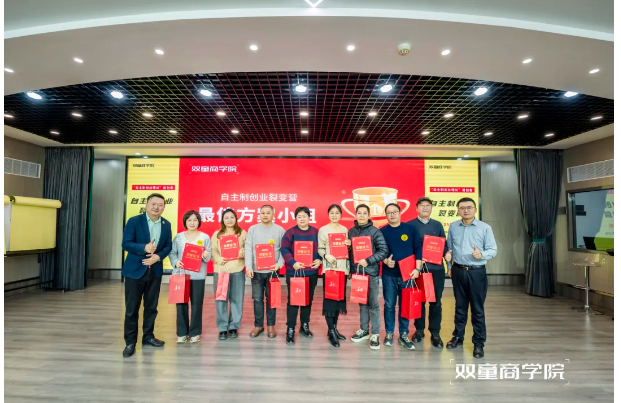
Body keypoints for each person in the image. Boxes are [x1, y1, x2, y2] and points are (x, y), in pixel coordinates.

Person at [121, 193, 173, 358]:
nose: (156, 207)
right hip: (135, 272)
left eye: (160, 205)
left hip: (155, 271)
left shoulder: (166, 224)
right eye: (153, 204)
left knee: (151, 307)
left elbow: (168, 245)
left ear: (164, 207)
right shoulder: (134, 221)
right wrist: (144, 248)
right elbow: (126, 243)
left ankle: (148, 337)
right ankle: (130, 342)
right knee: (132, 309)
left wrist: (158, 256)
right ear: (147, 205)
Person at [445, 197, 497, 359]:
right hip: (458, 271)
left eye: (469, 207)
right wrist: (449, 266)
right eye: (462, 208)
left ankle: (479, 343)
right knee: (460, 307)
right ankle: (458, 337)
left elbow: (493, 249)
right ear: (458, 210)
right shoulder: (453, 226)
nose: (466, 210)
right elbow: (449, 248)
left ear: (475, 209)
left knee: (477, 309)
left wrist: (482, 254)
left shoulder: (485, 228)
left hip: (476, 272)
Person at [406, 197, 449, 348]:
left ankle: (435, 333)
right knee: (419, 301)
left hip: (436, 269)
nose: (425, 208)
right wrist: (417, 258)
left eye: (428, 205)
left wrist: (447, 254)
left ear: (431, 208)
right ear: (416, 208)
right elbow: (407, 247)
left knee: (436, 302)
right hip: (418, 270)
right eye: (422, 205)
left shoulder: (437, 225)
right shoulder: (410, 225)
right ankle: (419, 331)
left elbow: (444, 245)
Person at [380, 203, 423, 351]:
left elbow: (418, 249)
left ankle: (404, 334)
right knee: (389, 305)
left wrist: (417, 269)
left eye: (395, 212)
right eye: (389, 212)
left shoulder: (410, 229)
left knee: (405, 305)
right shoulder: (382, 231)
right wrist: (385, 260)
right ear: (386, 215)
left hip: (407, 275)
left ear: (400, 213)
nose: (392, 215)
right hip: (389, 275)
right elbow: (378, 250)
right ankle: (389, 333)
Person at [348, 204, 388, 350]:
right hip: (358, 273)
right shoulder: (351, 231)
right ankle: (364, 330)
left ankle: (375, 333)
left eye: (365, 213)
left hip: (371, 273)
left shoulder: (375, 231)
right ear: (355, 215)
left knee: (373, 304)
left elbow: (383, 251)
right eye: (359, 213)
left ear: (369, 215)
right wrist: (350, 269)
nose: (362, 216)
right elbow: (350, 253)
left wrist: (368, 260)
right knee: (362, 303)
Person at [280, 206, 322, 346]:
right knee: (293, 301)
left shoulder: (316, 232)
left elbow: (323, 249)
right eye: (299, 216)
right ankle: (290, 329)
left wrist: (320, 260)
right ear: (295, 218)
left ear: (309, 217)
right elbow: (284, 249)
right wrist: (293, 262)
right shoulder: (290, 232)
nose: (302, 219)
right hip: (295, 273)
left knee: (308, 300)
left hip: (311, 272)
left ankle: (304, 325)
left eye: (304, 216)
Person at [169, 210, 211, 344]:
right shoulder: (178, 237)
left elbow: (208, 257)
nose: (192, 223)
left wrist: (206, 255)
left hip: (198, 276)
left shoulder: (205, 237)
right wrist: (176, 262)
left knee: (197, 305)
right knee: (181, 304)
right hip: (181, 275)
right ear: (185, 222)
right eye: (189, 220)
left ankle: (195, 332)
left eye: (195, 220)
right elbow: (172, 253)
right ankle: (182, 333)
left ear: (199, 221)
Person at [245, 205, 286, 339]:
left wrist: (279, 264)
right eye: (263, 213)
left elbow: (284, 250)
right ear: (259, 214)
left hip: (272, 271)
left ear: (273, 214)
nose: (265, 215)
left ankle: (270, 325)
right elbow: (248, 249)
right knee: (257, 299)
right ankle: (258, 325)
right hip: (256, 271)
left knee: (271, 299)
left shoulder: (280, 230)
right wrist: (249, 267)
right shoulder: (253, 229)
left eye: (268, 213)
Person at [211, 208, 247, 340]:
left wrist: (243, 252)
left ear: (236, 219)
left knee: (237, 300)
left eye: (232, 217)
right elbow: (213, 250)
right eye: (226, 217)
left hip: (237, 270)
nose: (229, 220)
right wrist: (218, 259)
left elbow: (248, 248)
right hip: (221, 271)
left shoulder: (242, 233)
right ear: (222, 220)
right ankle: (222, 328)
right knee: (221, 300)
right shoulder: (217, 234)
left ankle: (233, 327)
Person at [317, 204, 350, 348]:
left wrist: (349, 244)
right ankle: (331, 331)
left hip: (342, 269)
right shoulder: (323, 230)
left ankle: (334, 328)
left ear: (341, 215)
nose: (334, 215)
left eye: (337, 213)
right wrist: (326, 255)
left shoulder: (344, 230)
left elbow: (347, 250)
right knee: (330, 300)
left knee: (338, 300)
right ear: (328, 214)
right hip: (330, 269)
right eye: (332, 213)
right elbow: (320, 248)